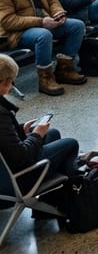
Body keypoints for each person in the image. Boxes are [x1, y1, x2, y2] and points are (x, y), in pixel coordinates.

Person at [0, 0, 87, 96]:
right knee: (44, 35)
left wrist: (58, 13)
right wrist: (41, 22)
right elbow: (8, 21)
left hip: (42, 23)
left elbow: (51, 0)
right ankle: (45, 78)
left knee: (76, 26)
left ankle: (64, 68)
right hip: (15, 33)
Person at [0, 53, 81, 196]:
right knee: (70, 144)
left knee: (53, 133)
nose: (12, 87)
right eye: (9, 81)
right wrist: (37, 134)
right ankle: (73, 199)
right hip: (12, 184)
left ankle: (54, 197)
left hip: (5, 171)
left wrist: (19, 130)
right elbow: (20, 157)